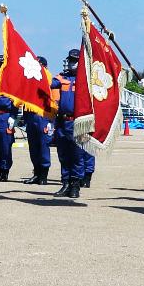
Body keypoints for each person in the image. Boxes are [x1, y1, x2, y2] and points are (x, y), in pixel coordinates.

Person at [51, 48, 95, 199]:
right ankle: (65, 183)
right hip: (63, 122)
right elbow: (48, 83)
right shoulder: (61, 78)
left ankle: (75, 185)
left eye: (75, 61)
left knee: (77, 155)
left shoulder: (87, 80)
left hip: (79, 123)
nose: (71, 64)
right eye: (70, 60)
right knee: (63, 155)